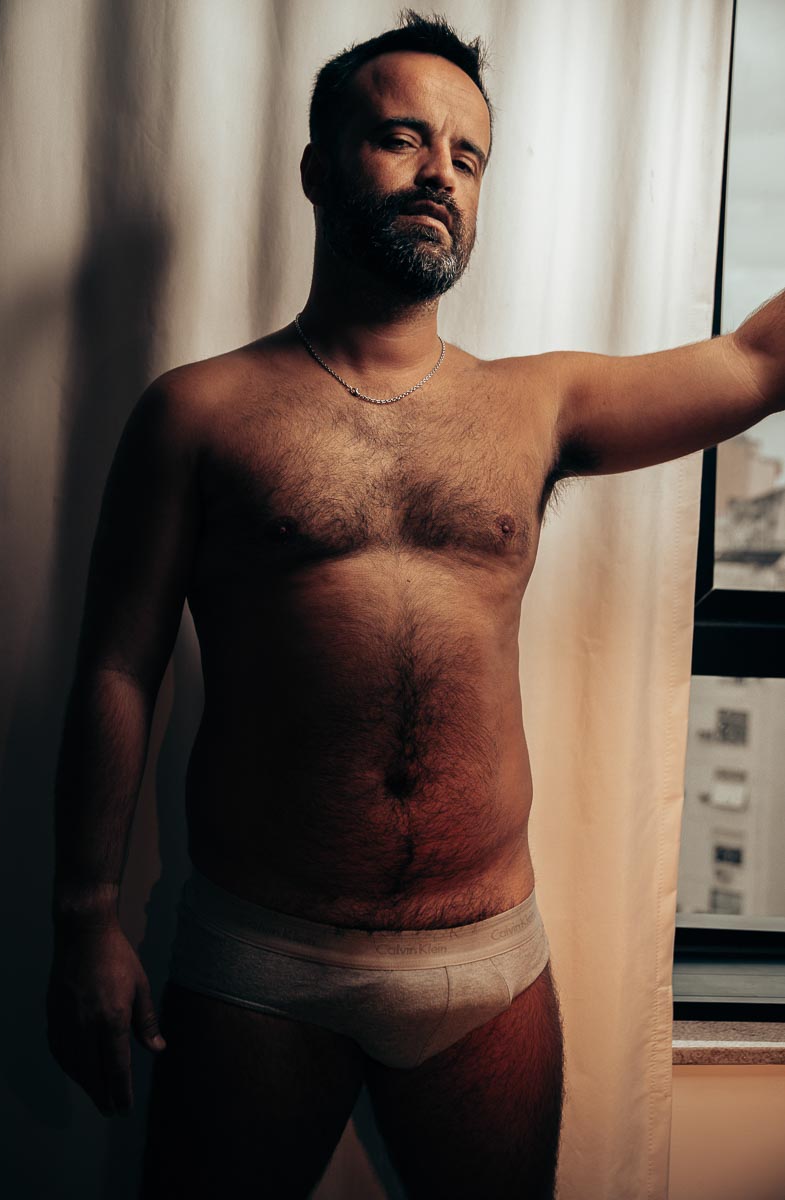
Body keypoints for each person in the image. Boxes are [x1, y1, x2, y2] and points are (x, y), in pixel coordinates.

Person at [45, 9, 783, 1199]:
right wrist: (84, 917)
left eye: (468, 155)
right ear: (317, 168)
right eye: (402, 137)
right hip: (263, 960)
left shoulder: (538, 405)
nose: (441, 171)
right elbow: (118, 668)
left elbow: (757, 362)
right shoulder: (197, 413)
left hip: (487, 964)